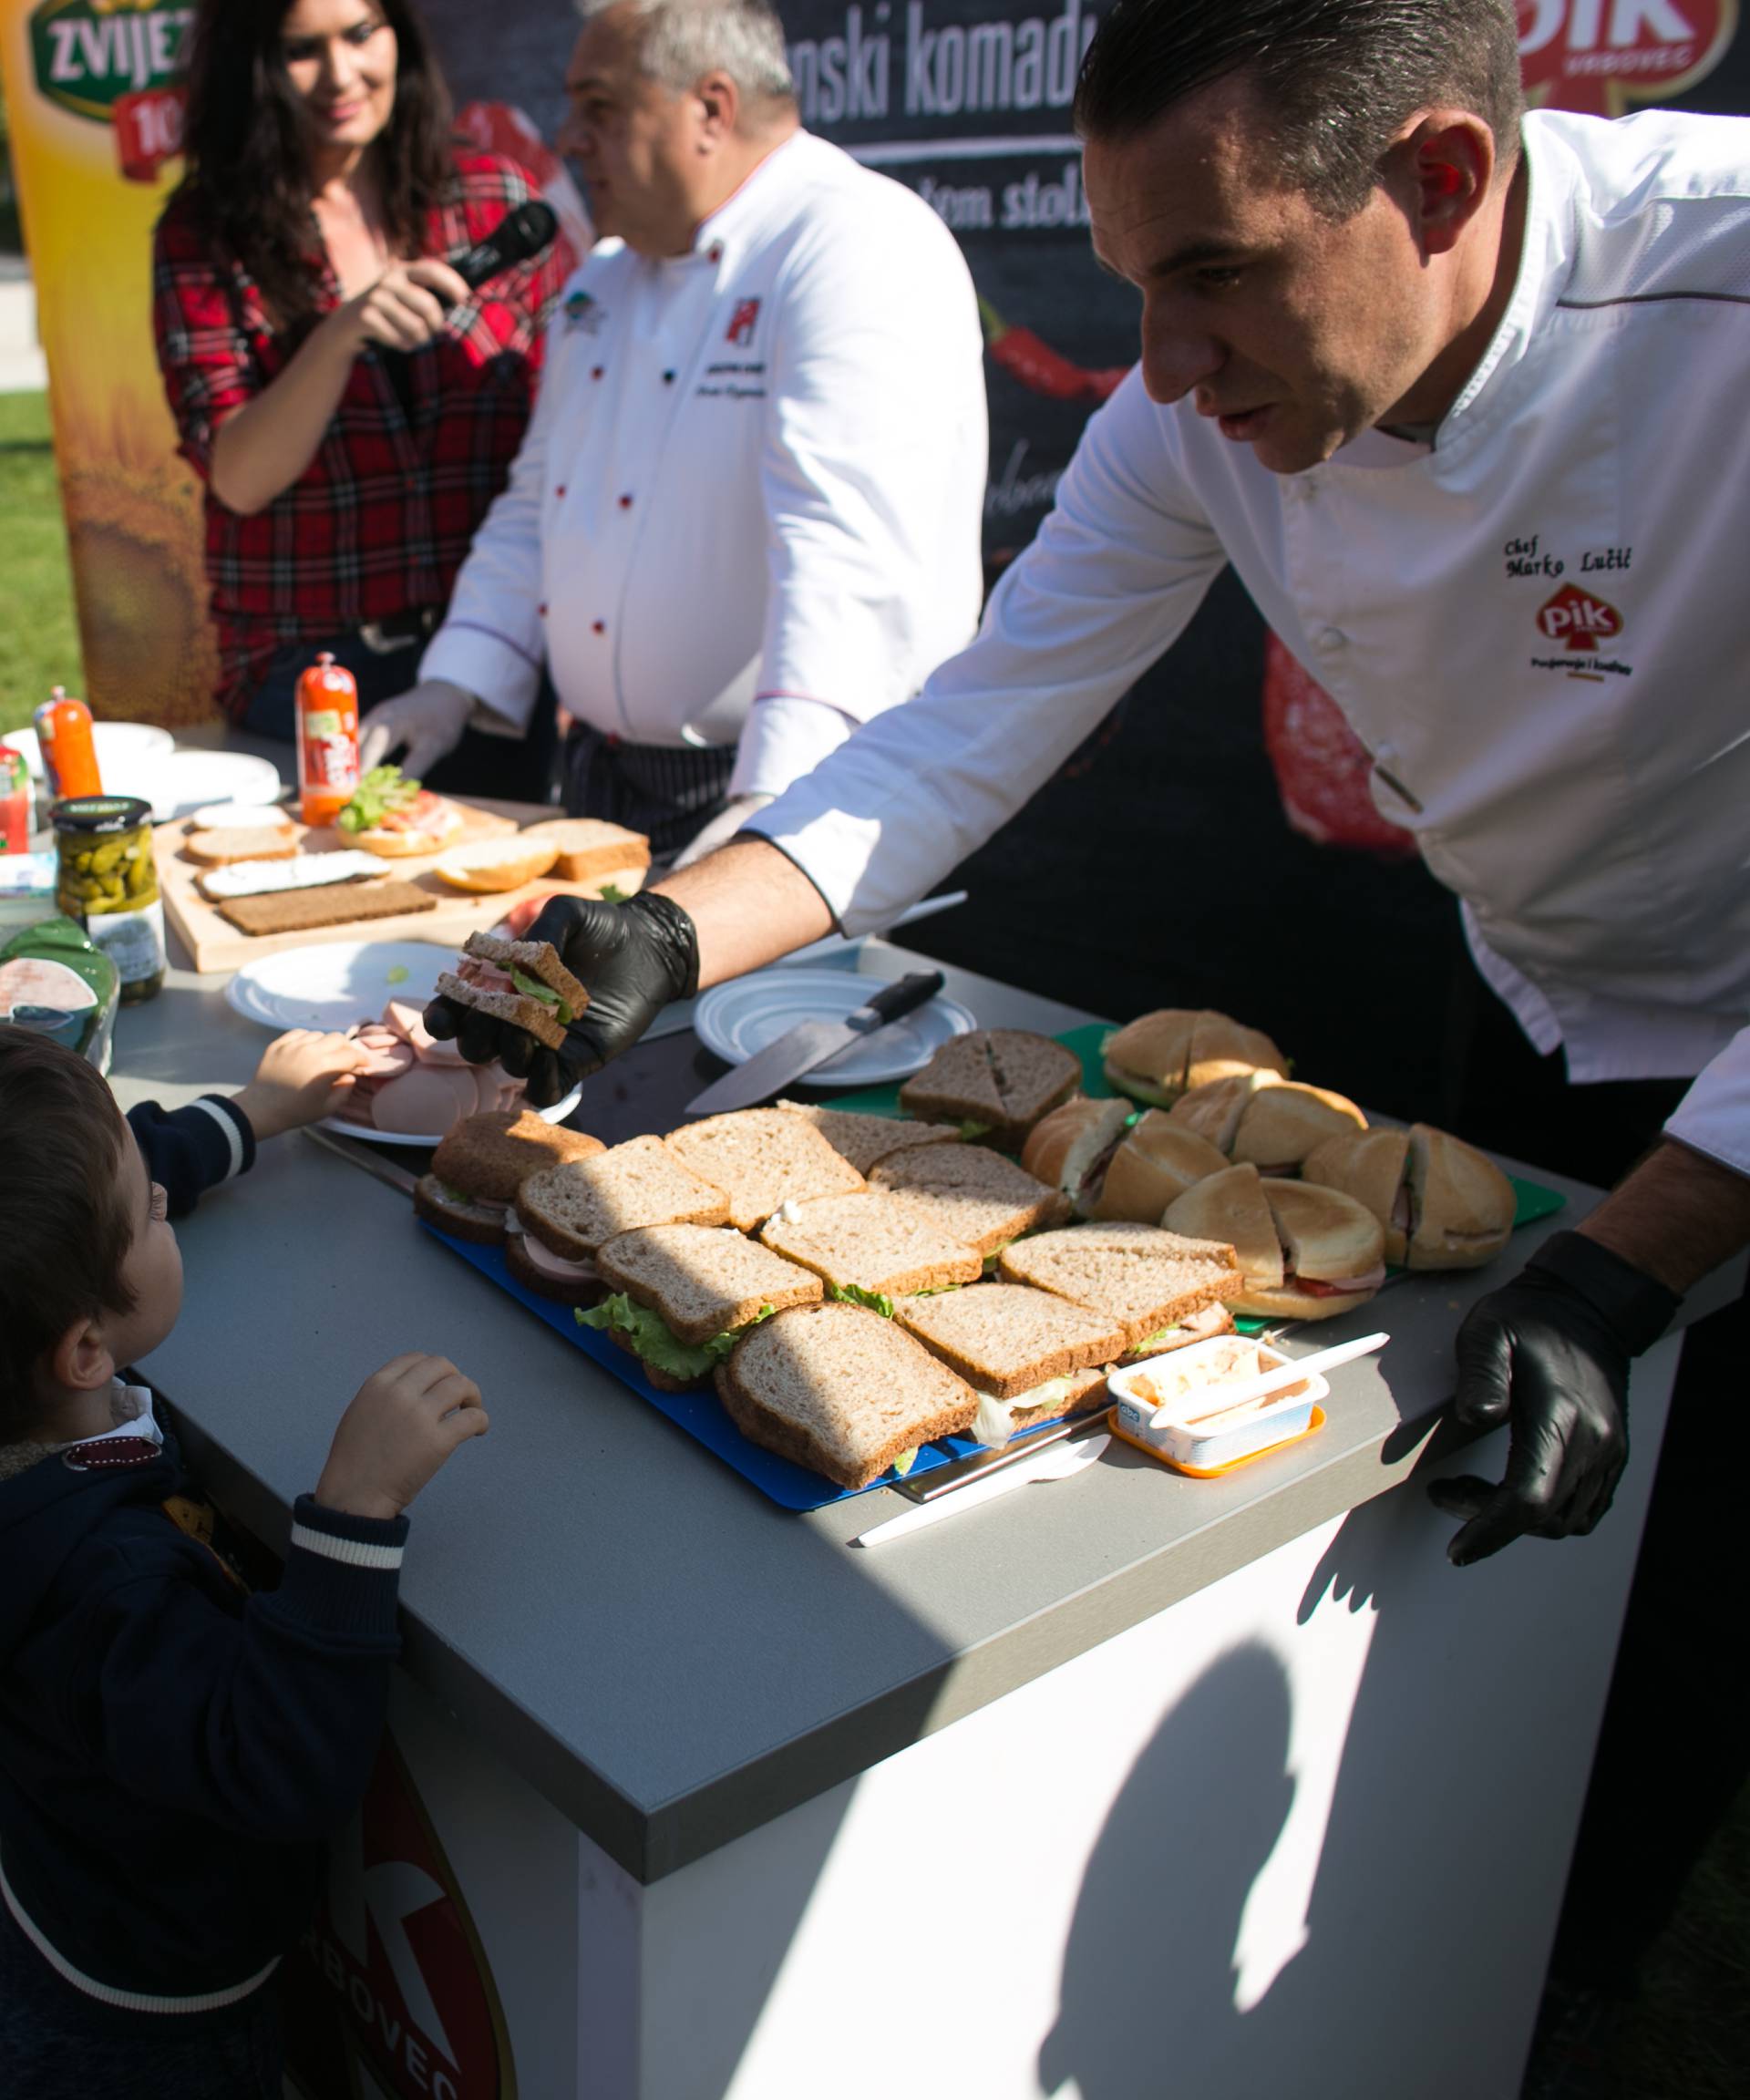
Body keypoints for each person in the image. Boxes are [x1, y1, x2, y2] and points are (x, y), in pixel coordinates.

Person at [425, 0, 1750, 2057]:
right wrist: (670, 942)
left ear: (1443, 182)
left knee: (1701, 1578)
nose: (1163, 367)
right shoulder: (1196, 411)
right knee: (1537, 1535)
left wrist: (1634, 1262)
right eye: (1139, 287)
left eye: (1218, 275)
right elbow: (970, 727)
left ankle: (1571, 1972)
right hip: (1540, 982)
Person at [357, 0, 987, 860]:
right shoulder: (609, 276)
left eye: (600, 107)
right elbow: (542, 499)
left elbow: (846, 553)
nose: (570, 137)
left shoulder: (851, 242)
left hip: (784, 787)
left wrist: (776, 806)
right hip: (599, 782)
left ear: (712, 109)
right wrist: (453, 685)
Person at [0, 1024, 488, 2098]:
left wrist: (258, 1110)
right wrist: (354, 1512)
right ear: (85, 1350)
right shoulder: (106, 1585)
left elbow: (104, 1175)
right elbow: (278, 1765)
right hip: (152, 2010)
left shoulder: (33, 1368)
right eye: (152, 1216)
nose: (163, 1199)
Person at [152, 0, 568, 799]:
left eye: (360, 34)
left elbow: (556, 444)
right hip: (312, 666)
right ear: (252, 67)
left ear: (401, 40)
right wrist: (340, 335)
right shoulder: (206, 231)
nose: (340, 75)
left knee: (500, 908)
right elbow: (238, 475)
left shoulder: (492, 194)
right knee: (318, 908)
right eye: (299, 50)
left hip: (490, 658)